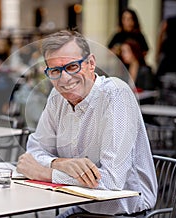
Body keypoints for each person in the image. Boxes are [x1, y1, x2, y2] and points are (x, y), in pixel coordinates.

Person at [16, 30, 157, 217]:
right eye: (55, 71)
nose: (64, 78)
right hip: (83, 207)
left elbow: (111, 182)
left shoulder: (116, 95)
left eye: (72, 66)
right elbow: (34, 151)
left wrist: (44, 173)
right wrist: (59, 163)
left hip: (126, 213)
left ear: (91, 63)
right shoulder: (57, 97)